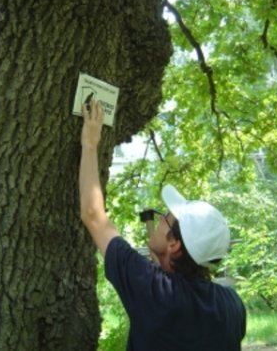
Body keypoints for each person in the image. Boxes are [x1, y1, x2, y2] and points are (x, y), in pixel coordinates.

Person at [79, 99, 246, 350]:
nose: (157, 221)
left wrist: (90, 143)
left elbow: (94, 215)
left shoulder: (154, 290)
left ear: (175, 244)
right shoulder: (232, 305)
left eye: (164, 219)